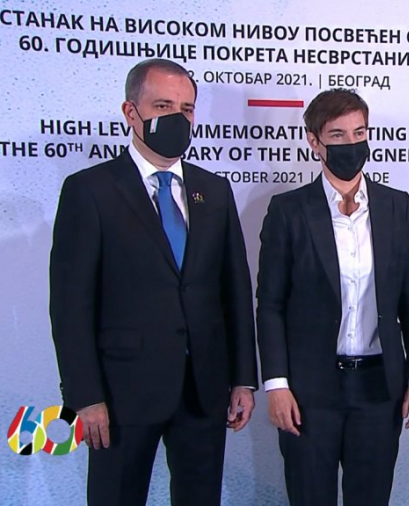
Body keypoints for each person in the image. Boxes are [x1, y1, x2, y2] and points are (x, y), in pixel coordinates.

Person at [49, 58, 257, 506]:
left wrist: (243, 378)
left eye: (186, 108)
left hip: (203, 388)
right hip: (121, 394)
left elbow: (235, 292)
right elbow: (70, 306)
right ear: (131, 112)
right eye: (163, 106)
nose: (177, 118)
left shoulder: (214, 191)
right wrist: (85, 395)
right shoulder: (90, 190)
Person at [256, 88, 409, 506]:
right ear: (314, 141)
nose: (351, 144)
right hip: (309, 389)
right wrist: (276, 384)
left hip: (379, 387)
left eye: (359, 133)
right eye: (337, 135)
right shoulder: (288, 211)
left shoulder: (396, 207)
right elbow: (271, 305)